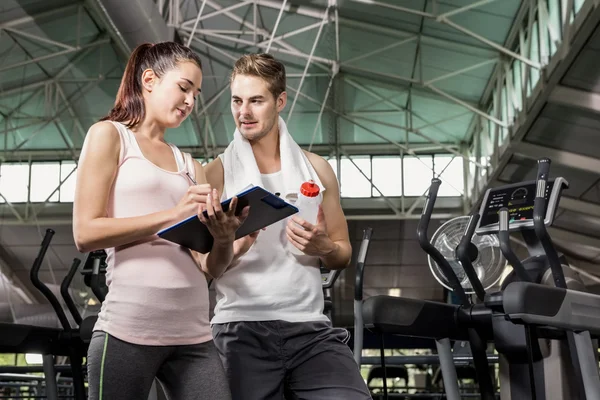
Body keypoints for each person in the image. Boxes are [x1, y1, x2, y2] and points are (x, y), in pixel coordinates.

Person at [73, 42, 239, 400]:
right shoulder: (110, 136)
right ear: (149, 79)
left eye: (196, 93)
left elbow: (208, 267)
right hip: (127, 331)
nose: (191, 101)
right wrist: (173, 214)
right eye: (183, 87)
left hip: (194, 336)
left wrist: (224, 239)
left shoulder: (190, 166)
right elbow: (86, 232)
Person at [205, 53, 371, 400]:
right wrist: (234, 245)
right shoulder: (216, 174)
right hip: (239, 327)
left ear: (280, 101)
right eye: (237, 101)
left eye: (256, 101)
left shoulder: (317, 170)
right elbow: (203, 267)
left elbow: (342, 255)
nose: (243, 113)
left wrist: (323, 246)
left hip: (309, 330)